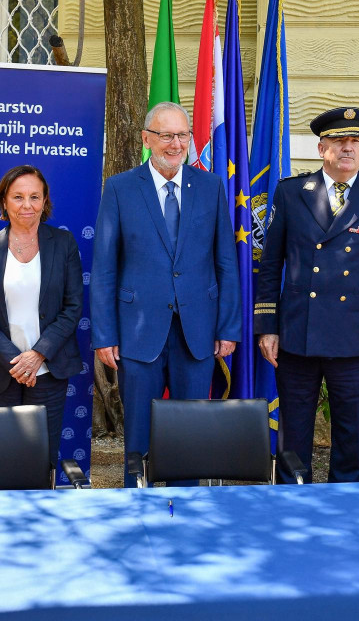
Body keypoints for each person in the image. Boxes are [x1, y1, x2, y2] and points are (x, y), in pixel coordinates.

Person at [90, 102, 242, 487]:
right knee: (138, 438)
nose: (176, 144)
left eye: (183, 135)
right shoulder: (121, 188)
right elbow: (105, 267)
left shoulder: (210, 187)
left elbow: (225, 261)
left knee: (190, 433)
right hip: (138, 334)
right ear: (147, 139)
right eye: (167, 135)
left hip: (198, 331)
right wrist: (104, 335)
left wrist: (228, 327)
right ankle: (137, 508)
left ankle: (185, 513)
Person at [254, 107, 359, 484]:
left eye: (355, 141)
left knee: (351, 437)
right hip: (297, 336)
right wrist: (267, 326)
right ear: (322, 147)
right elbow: (271, 264)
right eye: (340, 141)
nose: (348, 148)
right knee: (294, 437)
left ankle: (346, 515)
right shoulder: (292, 193)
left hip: (355, 341)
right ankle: (292, 510)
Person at [0, 165, 83, 467]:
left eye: (35, 196)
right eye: (18, 197)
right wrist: (16, 361)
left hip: (48, 370)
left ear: (45, 201)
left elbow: (73, 307)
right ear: (4, 201)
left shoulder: (64, 244)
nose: (27, 205)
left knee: (41, 457)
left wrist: (37, 355)